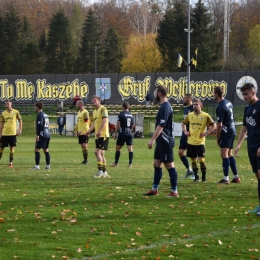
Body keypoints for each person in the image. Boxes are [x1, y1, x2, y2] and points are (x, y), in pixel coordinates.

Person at [143, 85, 179, 197]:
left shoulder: (165, 107)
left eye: (155, 93)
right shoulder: (164, 106)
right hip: (161, 141)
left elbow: (161, 126)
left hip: (165, 140)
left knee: (169, 165)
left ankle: (174, 191)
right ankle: (154, 189)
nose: (154, 95)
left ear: (159, 94)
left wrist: (152, 140)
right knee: (157, 164)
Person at [234, 83, 260, 215]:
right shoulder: (247, 108)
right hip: (251, 146)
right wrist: (238, 145)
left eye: (246, 94)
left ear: (253, 93)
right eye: (243, 94)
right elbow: (244, 128)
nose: (244, 97)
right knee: (257, 176)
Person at [182, 98, 216, 183]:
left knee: (201, 160)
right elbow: (183, 123)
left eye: (196, 104)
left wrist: (206, 133)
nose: (194, 106)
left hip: (200, 142)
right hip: (191, 141)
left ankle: (204, 177)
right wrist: (185, 131)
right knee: (193, 160)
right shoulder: (190, 115)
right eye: (193, 104)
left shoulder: (205, 115)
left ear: (201, 105)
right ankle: (196, 177)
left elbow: (214, 125)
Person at [214, 86, 240, 184]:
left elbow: (219, 124)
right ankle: (236, 177)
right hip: (232, 129)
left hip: (226, 131)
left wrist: (217, 136)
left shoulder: (220, 107)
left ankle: (226, 179)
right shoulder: (229, 102)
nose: (213, 95)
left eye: (213, 93)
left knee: (224, 154)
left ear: (217, 94)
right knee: (229, 154)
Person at [85, 95, 110, 178]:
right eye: (92, 100)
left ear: (99, 101)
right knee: (101, 154)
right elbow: (93, 123)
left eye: (95, 100)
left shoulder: (103, 109)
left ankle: (100, 171)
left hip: (103, 135)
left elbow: (105, 121)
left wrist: (99, 131)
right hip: (98, 135)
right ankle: (105, 172)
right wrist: (88, 131)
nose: (93, 101)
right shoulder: (94, 111)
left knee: (97, 152)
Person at [110, 102, 134, 168]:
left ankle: (116, 163)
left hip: (122, 133)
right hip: (129, 133)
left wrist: (115, 133)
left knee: (118, 148)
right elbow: (132, 125)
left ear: (123, 107)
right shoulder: (131, 115)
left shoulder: (121, 114)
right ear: (128, 107)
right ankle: (130, 164)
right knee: (130, 149)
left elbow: (118, 125)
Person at [0, 99, 22, 167]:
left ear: (11, 104)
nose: (7, 105)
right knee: (1, 148)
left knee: (12, 148)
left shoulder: (16, 112)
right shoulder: (3, 113)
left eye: (8, 104)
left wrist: (20, 130)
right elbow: (1, 124)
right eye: (6, 104)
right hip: (4, 133)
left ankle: (10, 162)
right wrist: (0, 134)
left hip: (12, 133)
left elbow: (20, 120)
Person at [178, 93, 194, 178]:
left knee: (192, 154)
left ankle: (195, 173)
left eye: (184, 98)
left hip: (192, 135)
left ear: (189, 99)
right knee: (180, 152)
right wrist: (185, 131)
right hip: (185, 134)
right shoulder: (185, 109)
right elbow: (184, 122)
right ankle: (189, 170)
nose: (183, 100)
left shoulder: (193, 108)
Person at [32, 102, 51, 170]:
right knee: (46, 149)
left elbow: (40, 125)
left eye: (35, 106)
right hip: (47, 134)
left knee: (36, 149)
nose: (34, 108)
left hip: (42, 134)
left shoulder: (39, 115)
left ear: (37, 107)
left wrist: (38, 135)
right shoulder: (45, 114)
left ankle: (37, 166)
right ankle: (48, 165)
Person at [73, 100, 89, 165]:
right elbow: (78, 123)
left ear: (80, 104)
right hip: (80, 132)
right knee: (82, 146)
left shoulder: (85, 112)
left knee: (85, 145)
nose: (76, 105)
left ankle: (86, 160)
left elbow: (86, 122)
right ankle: (84, 159)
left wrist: (81, 130)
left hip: (85, 131)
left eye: (77, 104)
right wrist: (75, 130)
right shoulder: (78, 112)